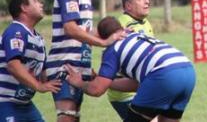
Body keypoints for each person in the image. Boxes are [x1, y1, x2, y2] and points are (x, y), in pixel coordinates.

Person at [45, 0, 125, 122]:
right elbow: (71, 29)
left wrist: (119, 33)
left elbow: (84, 32)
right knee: (67, 116)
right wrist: (104, 43)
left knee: (74, 117)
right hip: (65, 67)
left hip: (79, 67)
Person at [65, 16, 196, 122]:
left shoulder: (112, 49)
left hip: (163, 74)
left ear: (99, 37)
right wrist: (103, 80)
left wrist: (79, 82)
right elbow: (138, 85)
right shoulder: (134, 35)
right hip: (187, 70)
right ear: (120, 28)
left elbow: (97, 90)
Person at [0, 0, 62, 121]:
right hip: (4, 103)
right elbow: (13, 65)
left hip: (24, 104)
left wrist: (68, 76)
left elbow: (44, 73)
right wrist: (39, 86)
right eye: (35, 1)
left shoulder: (38, 38)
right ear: (24, 8)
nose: (41, 4)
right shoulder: (16, 31)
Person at [107, 0, 154, 120]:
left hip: (141, 89)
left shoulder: (145, 23)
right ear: (128, 6)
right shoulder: (121, 26)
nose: (147, 1)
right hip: (125, 93)